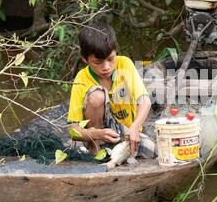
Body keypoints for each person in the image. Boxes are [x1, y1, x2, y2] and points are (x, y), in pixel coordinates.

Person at [67, 22, 156, 159]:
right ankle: (96, 149)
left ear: (115, 53)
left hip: (125, 132)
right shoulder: (82, 78)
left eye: (110, 59)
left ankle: (121, 144)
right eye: (98, 63)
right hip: (96, 134)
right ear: (85, 59)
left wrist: (134, 128)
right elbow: (73, 130)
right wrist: (98, 134)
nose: (106, 67)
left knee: (153, 151)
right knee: (96, 96)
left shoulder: (124, 64)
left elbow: (145, 101)